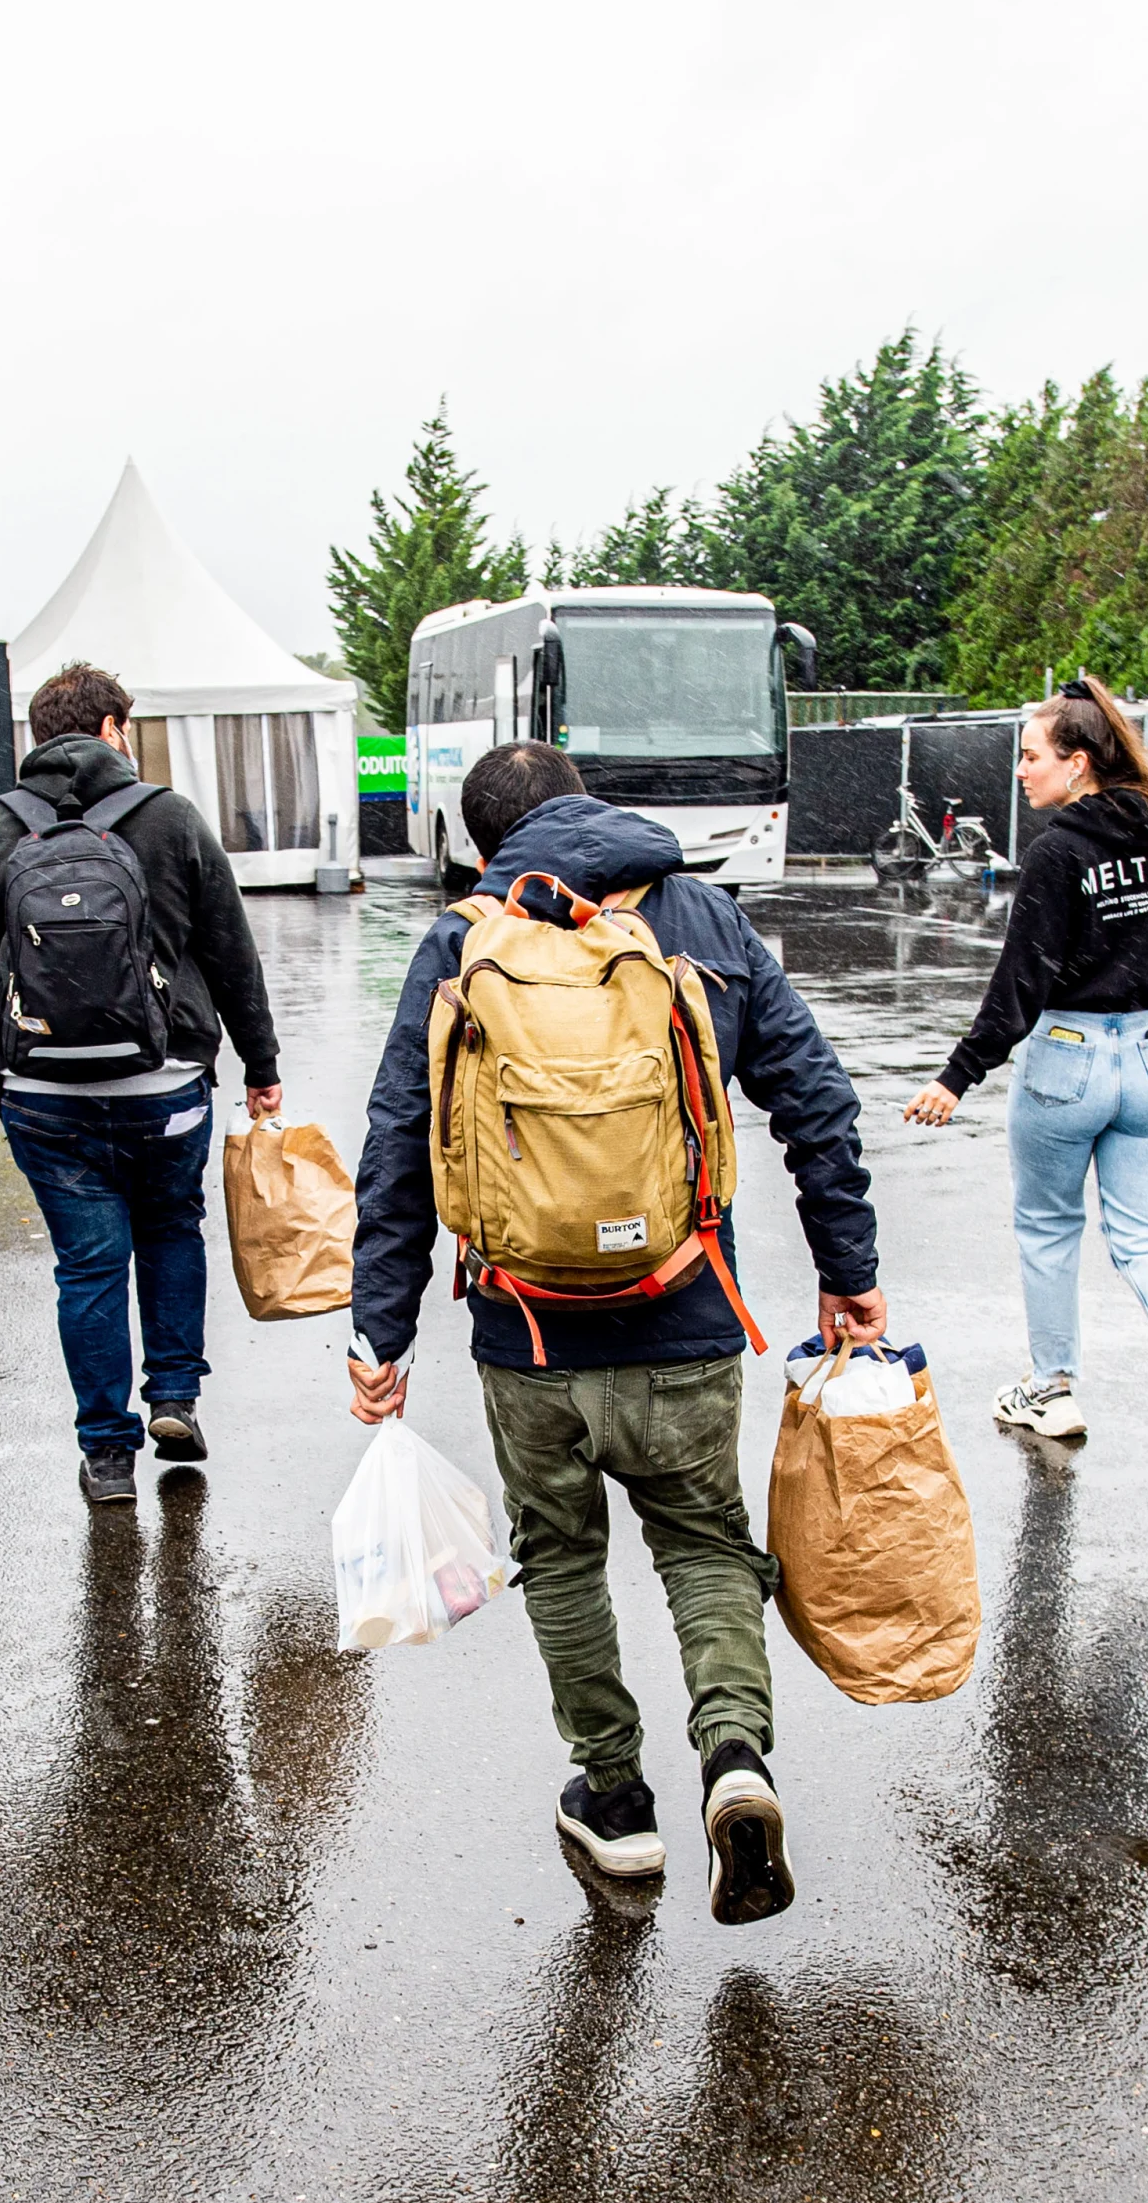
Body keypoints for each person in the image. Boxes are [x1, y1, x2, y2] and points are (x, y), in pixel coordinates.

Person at [348, 741, 883, 1925]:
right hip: (684, 1311)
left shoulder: (464, 943)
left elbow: (398, 1147)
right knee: (703, 1544)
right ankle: (736, 1759)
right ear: (591, 802)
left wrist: (379, 1334)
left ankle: (618, 1799)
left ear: (487, 848)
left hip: (528, 1336)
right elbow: (817, 1098)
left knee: (564, 1556)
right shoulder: (704, 918)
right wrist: (850, 1272)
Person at [0, 662, 282, 1507]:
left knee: (88, 1265)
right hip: (166, 1087)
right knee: (169, 1230)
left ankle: (106, 1452)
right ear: (114, 729)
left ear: (38, 737)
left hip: (42, 1091)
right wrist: (260, 1069)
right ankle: (176, 1398)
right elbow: (232, 955)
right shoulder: (172, 821)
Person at [900, 678, 1148, 1488]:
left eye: (1031, 757)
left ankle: (1052, 1391)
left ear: (1079, 764)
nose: (1021, 772)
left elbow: (1023, 979)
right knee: (1147, 1238)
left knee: (1050, 1228)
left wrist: (958, 1075)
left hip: (1071, 1057)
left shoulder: (1059, 852)